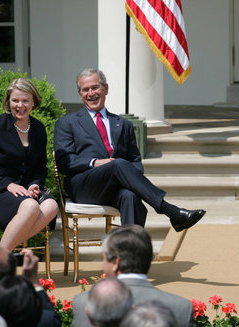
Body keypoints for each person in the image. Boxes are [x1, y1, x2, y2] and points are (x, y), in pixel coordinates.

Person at [53, 68, 205, 229]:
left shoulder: (123, 124)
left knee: (130, 196)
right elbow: (65, 162)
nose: (91, 93)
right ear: (80, 94)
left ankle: (131, 250)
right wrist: (95, 162)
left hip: (114, 187)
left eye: (95, 87)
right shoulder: (67, 123)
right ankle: (169, 210)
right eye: (85, 89)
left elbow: (135, 161)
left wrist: (130, 180)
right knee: (117, 164)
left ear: (106, 88)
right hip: (84, 186)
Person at [0, 78, 58, 251]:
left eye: (25, 100)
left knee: (51, 206)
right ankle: (0, 261)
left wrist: (35, 184)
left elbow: (40, 167)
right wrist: (8, 185)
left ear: (34, 101)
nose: (20, 105)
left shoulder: (39, 129)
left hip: (25, 191)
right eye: (15, 100)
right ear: (8, 101)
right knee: (31, 206)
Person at [71, 225, 194, 327]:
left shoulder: (83, 303)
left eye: (103, 259)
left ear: (116, 262)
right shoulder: (181, 307)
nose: (103, 265)